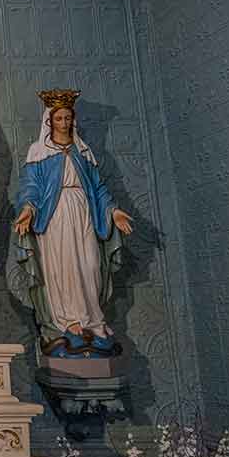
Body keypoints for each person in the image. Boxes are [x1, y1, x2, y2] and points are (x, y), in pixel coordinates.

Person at [10, 89, 134, 356]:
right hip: (55, 216)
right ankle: (69, 321)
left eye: (68, 118)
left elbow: (98, 188)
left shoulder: (82, 151)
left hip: (83, 211)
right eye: (59, 119)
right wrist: (28, 210)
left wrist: (113, 212)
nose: (64, 123)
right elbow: (31, 186)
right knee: (63, 267)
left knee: (90, 264)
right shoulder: (39, 152)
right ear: (49, 122)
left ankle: (92, 320)